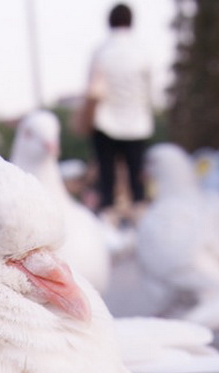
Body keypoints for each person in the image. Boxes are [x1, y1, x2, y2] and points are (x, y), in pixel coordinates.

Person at [79, 3, 154, 221]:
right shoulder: (142, 52)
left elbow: (92, 88)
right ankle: (141, 219)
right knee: (136, 179)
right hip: (137, 123)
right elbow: (150, 91)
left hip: (105, 122)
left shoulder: (101, 51)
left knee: (107, 177)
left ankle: (107, 222)